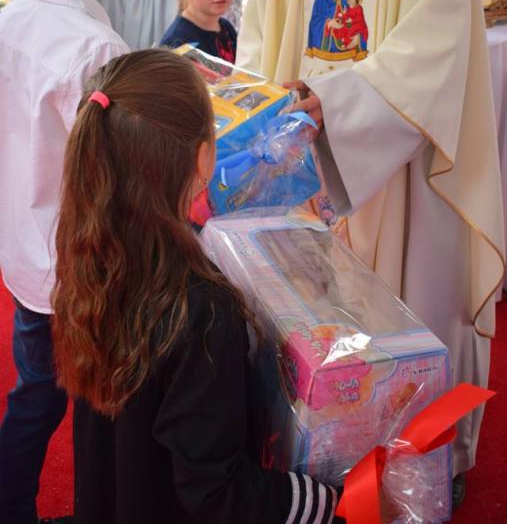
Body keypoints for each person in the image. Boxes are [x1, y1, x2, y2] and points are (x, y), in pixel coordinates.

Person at [237, 0, 505, 495]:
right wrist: (265, 104)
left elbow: (435, 52)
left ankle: (422, 473)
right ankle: (327, 470)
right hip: (311, 167)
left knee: (411, 312)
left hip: (406, 179)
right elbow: (260, 41)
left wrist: (336, 100)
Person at [51, 48, 343, 524]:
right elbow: (216, 490)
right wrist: (329, 500)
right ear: (205, 156)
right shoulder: (200, 308)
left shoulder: (96, 254)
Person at [0, 0, 131, 524]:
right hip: (84, 265)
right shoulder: (93, 47)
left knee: (35, 396)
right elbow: (121, 166)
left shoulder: (12, 19)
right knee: (106, 405)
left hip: (28, 257)